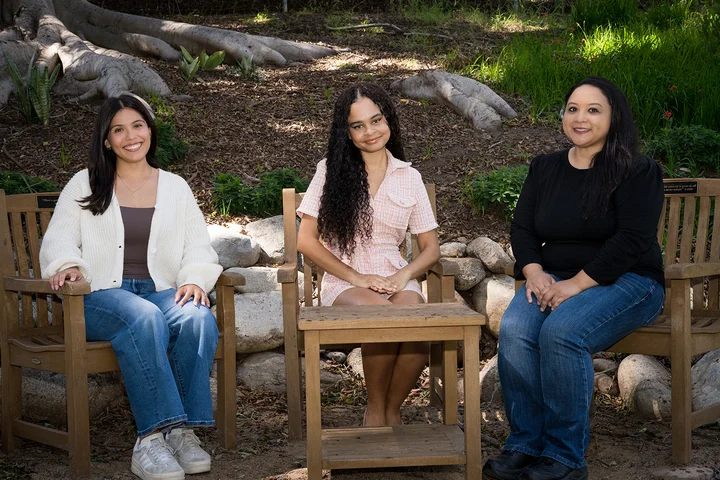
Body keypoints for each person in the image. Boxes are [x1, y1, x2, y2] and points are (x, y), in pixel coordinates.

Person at [483, 77, 665, 480]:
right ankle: (526, 444)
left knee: (562, 332)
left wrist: (575, 284)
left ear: (614, 117)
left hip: (630, 281)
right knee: (514, 326)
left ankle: (565, 458)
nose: (580, 118)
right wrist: (533, 272)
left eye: (593, 109)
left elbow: (633, 240)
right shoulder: (545, 167)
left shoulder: (637, 170)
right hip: (554, 278)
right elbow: (523, 229)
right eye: (573, 108)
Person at [40, 94, 222, 480]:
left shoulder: (176, 187)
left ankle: (181, 432)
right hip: (100, 297)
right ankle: (151, 439)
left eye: (137, 125)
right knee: (144, 317)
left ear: (150, 131)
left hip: (160, 289)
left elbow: (198, 247)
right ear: (107, 140)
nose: (130, 136)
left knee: (197, 319)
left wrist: (193, 279)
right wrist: (68, 265)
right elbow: (58, 240)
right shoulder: (86, 182)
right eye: (118, 129)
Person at [296, 83, 440, 427]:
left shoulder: (410, 176)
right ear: (346, 132)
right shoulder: (329, 171)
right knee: (383, 319)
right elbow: (306, 241)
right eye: (358, 126)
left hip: (395, 276)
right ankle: (376, 411)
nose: (370, 132)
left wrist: (405, 276)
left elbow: (431, 247)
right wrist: (357, 277)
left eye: (376, 121)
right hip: (345, 282)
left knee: (417, 328)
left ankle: (391, 410)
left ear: (388, 120)